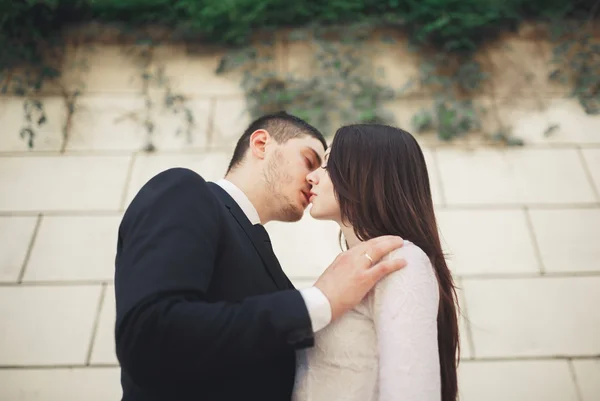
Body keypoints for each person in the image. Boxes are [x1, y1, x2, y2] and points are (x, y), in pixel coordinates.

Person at [113, 112, 407, 401]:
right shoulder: (184, 190)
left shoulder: (262, 252)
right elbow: (150, 336)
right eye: (309, 160)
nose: (315, 177)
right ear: (261, 144)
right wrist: (320, 300)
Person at [293, 123, 461, 401]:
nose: (312, 177)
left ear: (368, 172)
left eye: (328, 165)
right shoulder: (354, 267)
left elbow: (411, 391)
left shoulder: (400, 260)